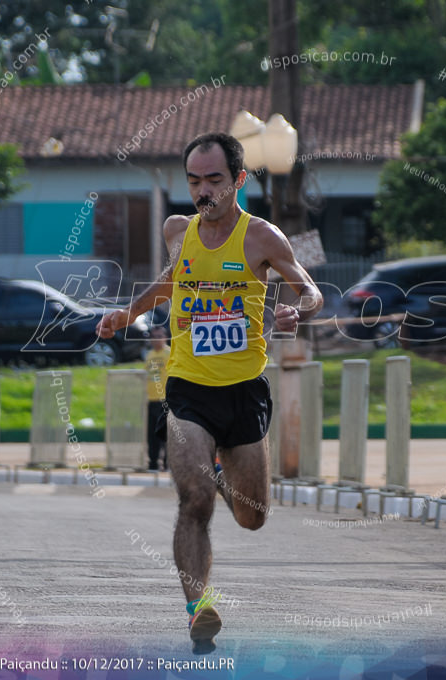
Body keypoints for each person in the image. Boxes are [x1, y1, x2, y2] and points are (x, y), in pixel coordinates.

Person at [97, 132, 323, 654]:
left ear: (238, 180)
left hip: (244, 389)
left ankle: (223, 473)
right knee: (193, 499)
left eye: (215, 180)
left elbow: (307, 285)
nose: (203, 192)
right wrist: (127, 314)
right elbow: (171, 280)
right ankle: (198, 608)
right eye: (194, 181)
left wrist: (299, 308)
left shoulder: (262, 237)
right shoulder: (179, 229)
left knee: (252, 516)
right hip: (187, 387)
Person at [145, 325, 170, 471]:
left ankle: (168, 463)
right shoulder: (150, 355)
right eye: (154, 337)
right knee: (152, 434)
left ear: (165, 337)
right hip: (151, 399)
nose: (156, 340)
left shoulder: (169, 353)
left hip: (165, 400)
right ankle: (153, 463)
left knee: (167, 434)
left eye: (159, 336)